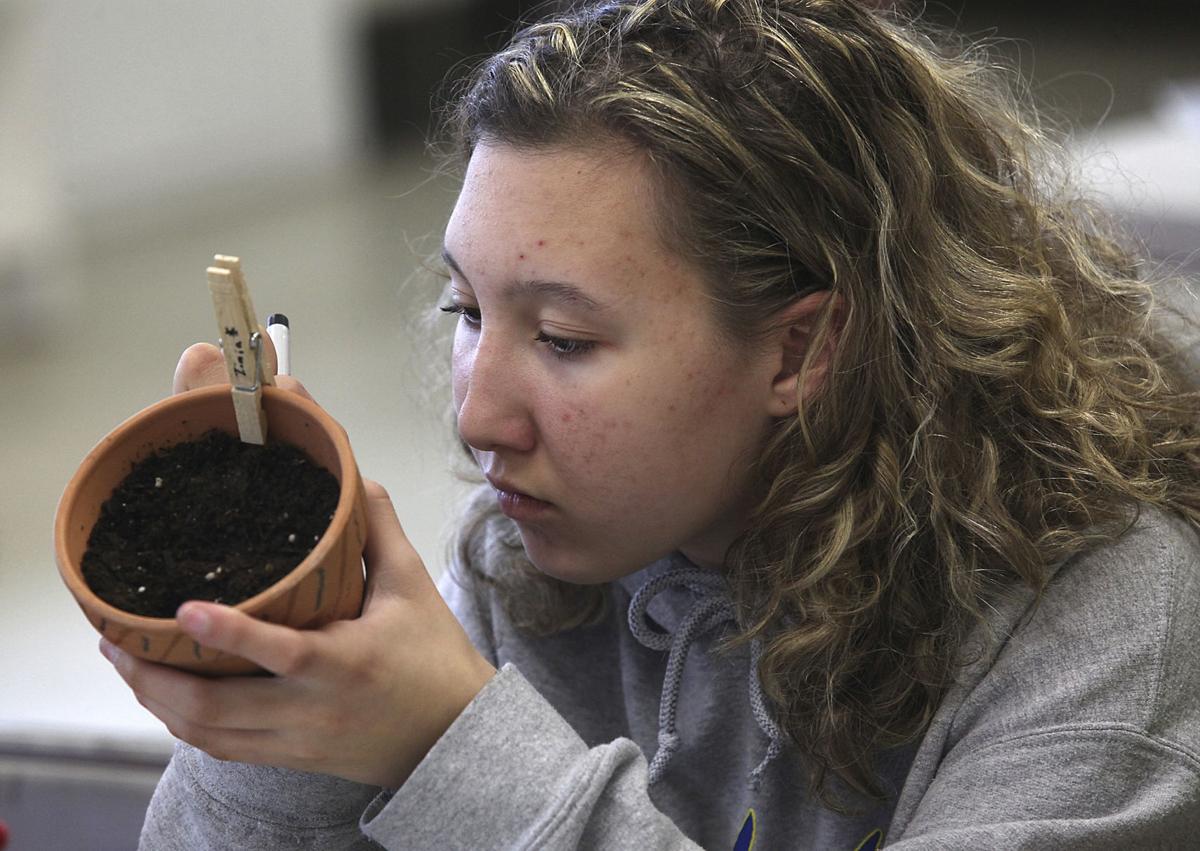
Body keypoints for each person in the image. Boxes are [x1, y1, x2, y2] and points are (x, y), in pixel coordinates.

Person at [103, 1, 1200, 848]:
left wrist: (452, 743)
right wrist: (281, 704)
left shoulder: (1099, 635)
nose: (479, 414)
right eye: (468, 312)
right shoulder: (549, 552)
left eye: (565, 340)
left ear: (799, 349)